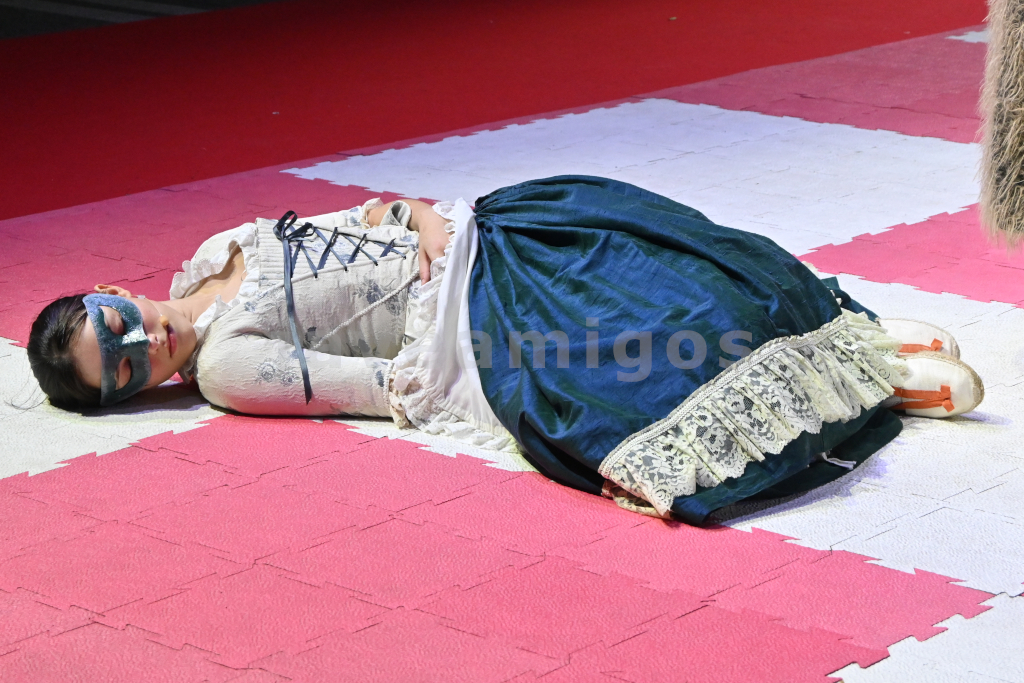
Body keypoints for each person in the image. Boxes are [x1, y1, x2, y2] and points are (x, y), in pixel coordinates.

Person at [27, 176, 985, 524]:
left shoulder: (212, 251)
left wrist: (414, 217)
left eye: (113, 326)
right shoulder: (229, 370)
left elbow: (359, 215)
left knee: (634, 225)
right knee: (633, 327)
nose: (138, 344)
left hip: (470, 233)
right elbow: (386, 386)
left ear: (112, 293)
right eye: (123, 370)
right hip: (464, 321)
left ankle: (841, 336)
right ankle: (873, 385)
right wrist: (494, 355)